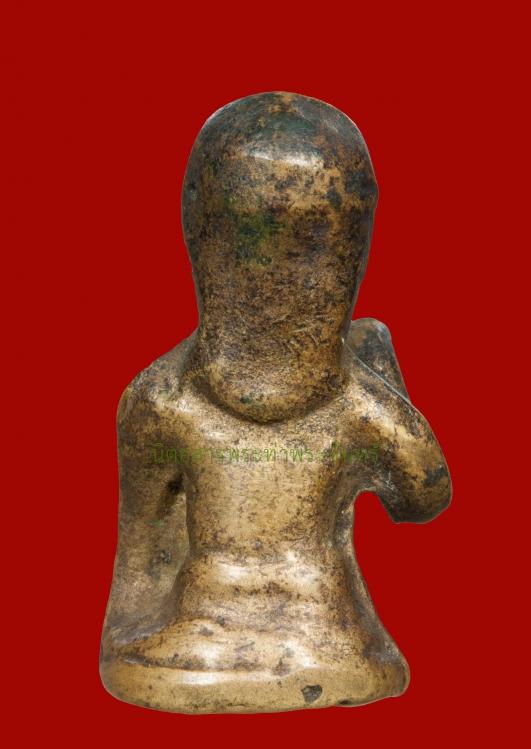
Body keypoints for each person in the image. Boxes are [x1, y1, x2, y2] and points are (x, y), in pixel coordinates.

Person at [100, 92, 452, 713]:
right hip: (331, 647)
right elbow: (423, 502)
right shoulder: (359, 404)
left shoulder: (158, 398)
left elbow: (140, 573)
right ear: (355, 249)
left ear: (197, 229)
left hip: (194, 653)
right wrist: (380, 375)